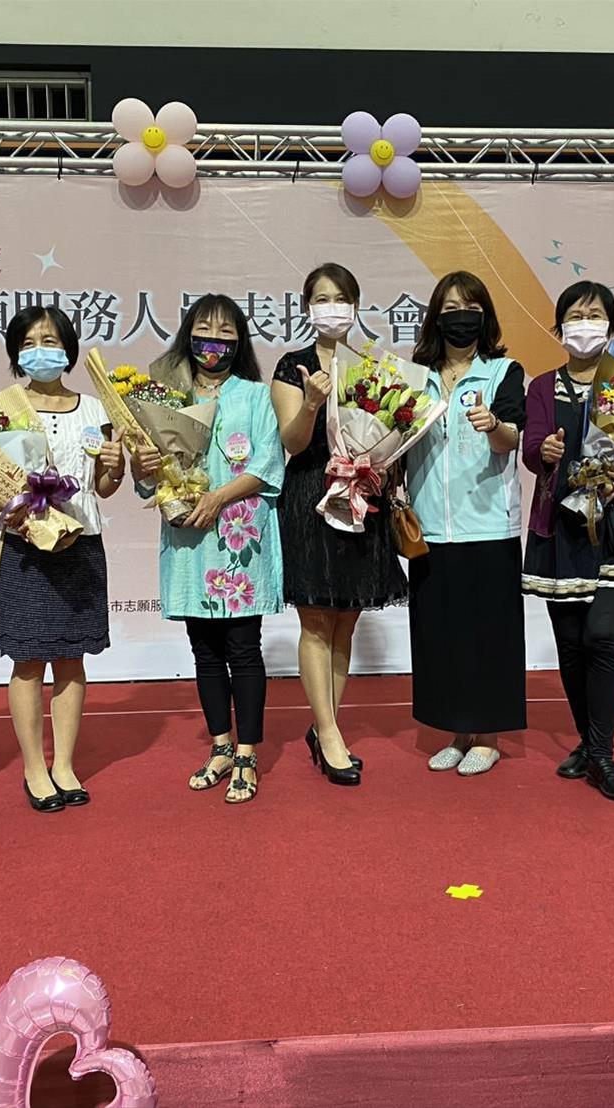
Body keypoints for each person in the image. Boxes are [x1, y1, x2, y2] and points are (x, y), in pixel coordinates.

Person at [130, 294, 285, 804]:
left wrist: (218, 497)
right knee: (204, 650)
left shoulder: (255, 395)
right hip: (189, 537)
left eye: (225, 332)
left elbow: (267, 465)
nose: (213, 341)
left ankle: (247, 753)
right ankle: (220, 746)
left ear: (240, 340)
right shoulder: (164, 395)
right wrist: (141, 466)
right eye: (203, 330)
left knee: (243, 648)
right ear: (187, 335)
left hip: (239, 537)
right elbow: (147, 476)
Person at [271, 263, 404, 786]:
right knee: (315, 620)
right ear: (307, 308)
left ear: (356, 305)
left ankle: (326, 726)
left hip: (362, 499)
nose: (332, 308)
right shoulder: (294, 365)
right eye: (322, 299)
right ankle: (329, 734)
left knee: (347, 617)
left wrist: (382, 460)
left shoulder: (373, 366)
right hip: (312, 498)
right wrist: (311, 403)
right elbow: (292, 442)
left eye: (341, 298)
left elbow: (392, 432)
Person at [0, 307, 124, 812]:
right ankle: (34, 766)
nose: (39, 350)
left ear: (68, 348)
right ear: (15, 353)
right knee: (28, 659)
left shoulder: (95, 409)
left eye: (49, 341)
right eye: (28, 343)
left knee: (72, 657)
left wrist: (114, 467)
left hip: (81, 544)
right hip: (26, 547)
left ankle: (64, 764)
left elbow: (104, 488)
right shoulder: (0, 408)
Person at [521, 281, 614, 801]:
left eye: (595, 316)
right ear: (559, 328)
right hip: (560, 529)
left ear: (611, 326)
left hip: (613, 530)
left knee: (602, 637)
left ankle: (603, 756)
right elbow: (530, 450)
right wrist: (543, 452)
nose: (585, 324)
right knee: (570, 646)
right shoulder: (542, 387)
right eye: (575, 315)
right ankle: (589, 744)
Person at [405, 271, 527, 775]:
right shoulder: (415, 376)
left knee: (489, 636)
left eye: (470, 308)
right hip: (430, 528)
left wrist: (493, 425)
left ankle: (489, 736)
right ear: (436, 317)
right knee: (442, 635)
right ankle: (457, 730)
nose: (460, 317)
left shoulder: (503, 372)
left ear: (485, 316)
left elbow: (511, 438)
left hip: (488, 526)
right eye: (450, 308)